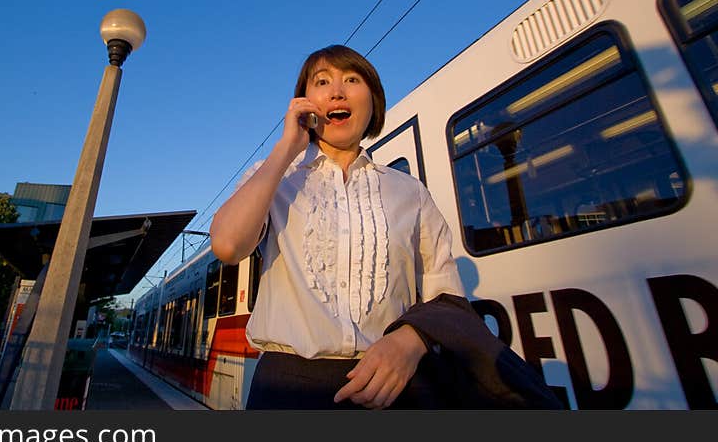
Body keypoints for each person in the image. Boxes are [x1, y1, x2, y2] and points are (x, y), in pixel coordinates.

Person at [209, 45, 562, 409]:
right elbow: (227, 244)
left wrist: (411, 341)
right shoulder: (275, 178)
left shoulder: (409, 191)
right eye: (322, 82)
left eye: (351, 79)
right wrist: (287, 146)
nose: (337, 91)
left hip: (395, 385)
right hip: (287, 391)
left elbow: (446, 292)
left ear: (373, 101)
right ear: (305, 102)